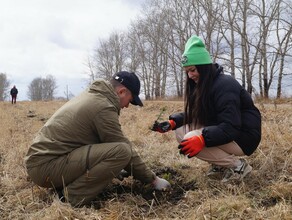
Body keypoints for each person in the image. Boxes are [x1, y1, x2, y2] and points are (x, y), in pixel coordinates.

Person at [25, 71, 170, 207]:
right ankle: (69, 198)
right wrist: (153, 180)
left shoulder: (93, 95)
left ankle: (65, 188)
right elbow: (124, 149)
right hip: (46, 168)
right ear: (121, 92)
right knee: (122, 151)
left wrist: (109, 168)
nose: (126, 106)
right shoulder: (103, 107)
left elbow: (90, 140)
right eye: (129, 101)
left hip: (42, 163)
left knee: (118, 151)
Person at [152, 35, 261, 182]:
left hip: (243, 137)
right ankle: (220, 165)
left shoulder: (225, 85)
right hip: (225, 131)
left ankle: (238, 167)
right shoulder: (203, 85)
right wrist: (174, 122)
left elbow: (231, 126)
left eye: (192, 70)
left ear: (203, 67)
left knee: (191, 137)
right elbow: (199, 113)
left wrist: (202, 138)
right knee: (180, 131)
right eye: (187, 71)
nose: (190, 75)